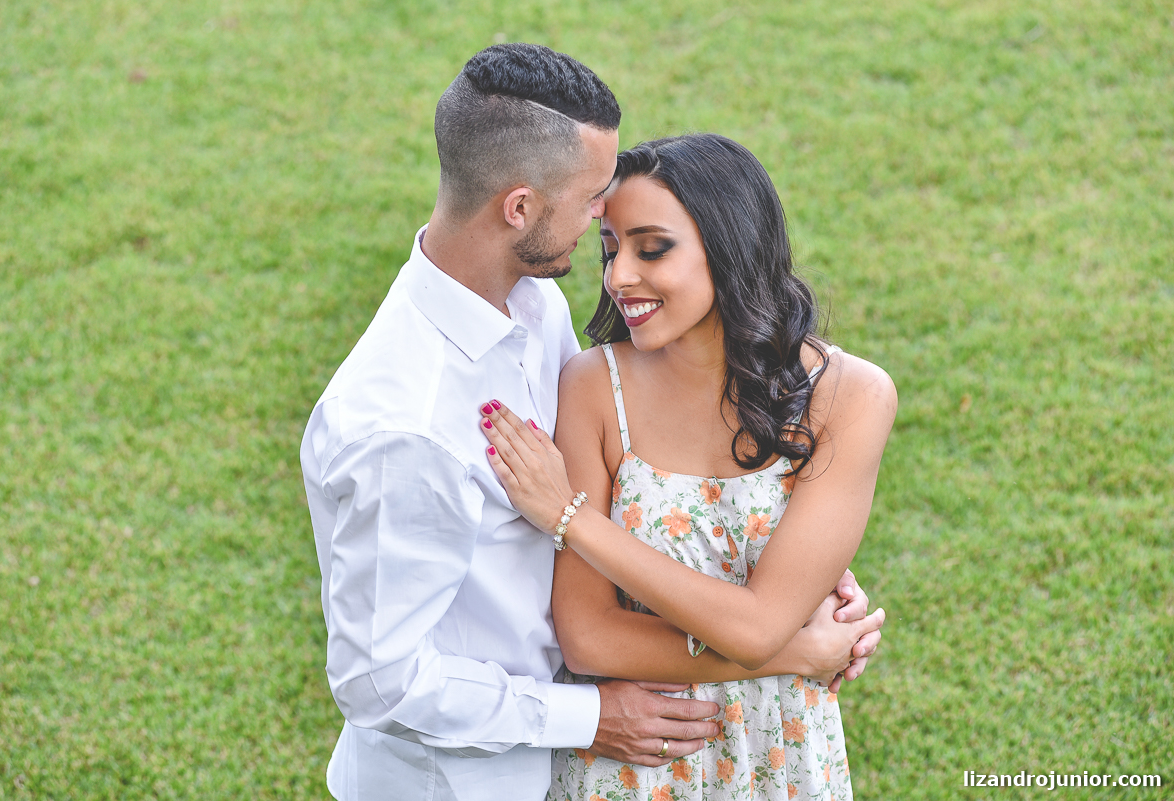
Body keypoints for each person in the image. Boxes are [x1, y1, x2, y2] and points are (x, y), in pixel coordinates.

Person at [302, 44, 881, 801]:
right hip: (461, 783)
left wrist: (781, 549)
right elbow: (381, 682)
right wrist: (585, 713)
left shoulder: (531, 302)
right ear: (519, 207)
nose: (605, 230)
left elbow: (632, 475)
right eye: (592, 204)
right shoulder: (403, 428)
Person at [477, 134, 897, 800]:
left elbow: (758, 625)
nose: (618, 277)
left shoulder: (849, 396)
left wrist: (574, 520)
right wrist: (802, 649)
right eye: (611, 249)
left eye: (653, 247)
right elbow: (589, 638)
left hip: (778, 752)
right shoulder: (592, 387)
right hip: (637, 753)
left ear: (728, 246)